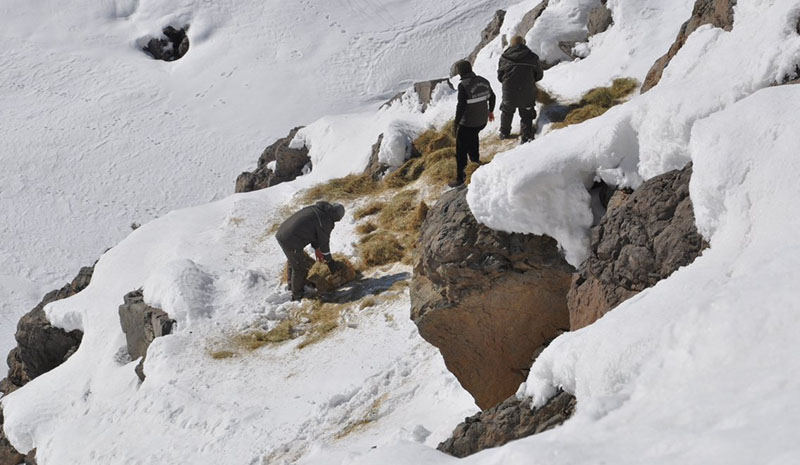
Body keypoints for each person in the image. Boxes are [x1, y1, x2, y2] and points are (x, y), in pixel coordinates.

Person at [276, 201, 345, 301]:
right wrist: (330, 262)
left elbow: (315, 230)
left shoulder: (317, 210)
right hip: (290, 239)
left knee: (294, 261)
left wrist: (317, 248)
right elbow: (324, 243)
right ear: (336, 216)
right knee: (300, 267)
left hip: (283, 232)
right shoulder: (326, 220)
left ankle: (292, 286)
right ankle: (297, 295)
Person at [450, 59, 496, 188]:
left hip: (468, 123)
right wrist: (490, 111)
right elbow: (493, 97)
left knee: (461, 150)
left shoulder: (463, 85)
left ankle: (461, 178)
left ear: (460, 72)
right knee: (473, 138)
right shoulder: (483, 80)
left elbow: (461, 106)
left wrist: (456, 123)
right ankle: (475, 162)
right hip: (481, 121)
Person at [497, 35, 543, 144]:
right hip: (527, 89)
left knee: (507, 111)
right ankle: (526, 136)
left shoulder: (504, 58)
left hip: (509, 89)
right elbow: (539, 75)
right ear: (523, 43)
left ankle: (504, 133)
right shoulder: (532, 57)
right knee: (526, 113)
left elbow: (500, 76)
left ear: (511, 44)